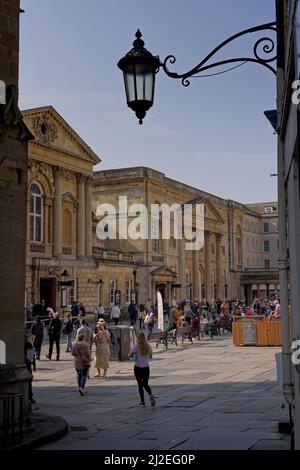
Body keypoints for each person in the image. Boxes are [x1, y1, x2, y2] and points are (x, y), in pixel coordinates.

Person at [128, 331, 155, 407]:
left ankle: (142, 402)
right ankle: (150, 395)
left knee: (140, 385)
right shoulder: (148, 346)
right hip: (146, 368)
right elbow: (150, 357)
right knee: (145, 384)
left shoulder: (136, 347)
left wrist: (133, 355)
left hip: (137, 368)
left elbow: (129, 355)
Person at [24, 333, 36, 404]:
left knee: (29, 381)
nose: (25, 339)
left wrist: (34, 365)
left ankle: (30, 396)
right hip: (24, 364)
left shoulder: (28, 344)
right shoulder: (19, 344)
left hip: (27, 365)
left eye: (26, 337)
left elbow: (31, 355)